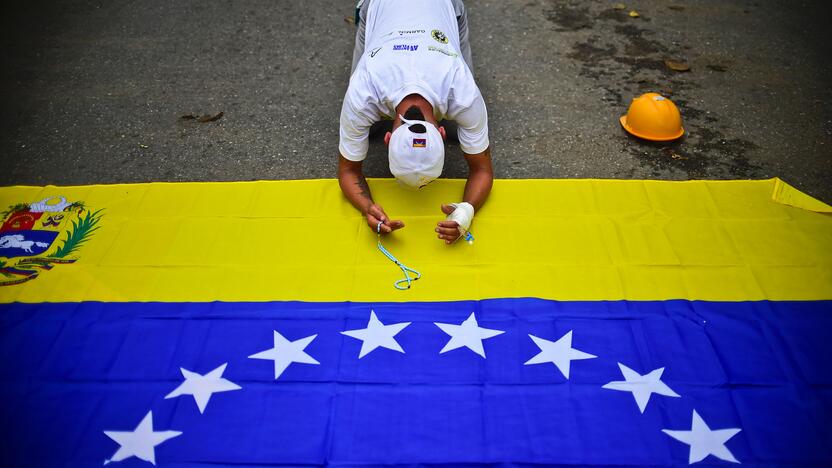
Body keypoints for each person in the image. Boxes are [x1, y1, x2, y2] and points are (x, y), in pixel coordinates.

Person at [338, 0, 493, 244]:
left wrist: (465, 211)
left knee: (359, 131)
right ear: (440, 132)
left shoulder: (463, 89)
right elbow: (347, 171)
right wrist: (366, 208)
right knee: (364, 128)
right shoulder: (362, 90)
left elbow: (483, 171)